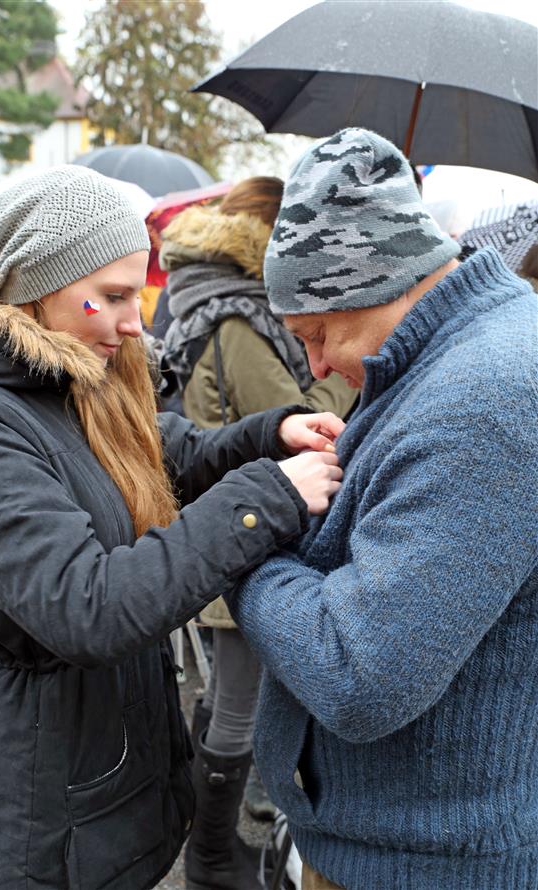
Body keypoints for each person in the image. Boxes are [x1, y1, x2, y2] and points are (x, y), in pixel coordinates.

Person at [0, 165, 345, 890]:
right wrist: (267, 496)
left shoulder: (57, 381)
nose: (137, 322)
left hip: (94, 783)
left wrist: (268, 434)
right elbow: (84, 605)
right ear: (38, 285)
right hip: (41, 818)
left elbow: (162, 449)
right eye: (116, 296)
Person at [224, 129, 538, 890]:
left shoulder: (483, 401)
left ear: (375, 282)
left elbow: (360, 674)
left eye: (318, 334)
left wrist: (243, 551)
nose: (316, 365)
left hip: (423, 865)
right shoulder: (450, 357)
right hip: (400, 842)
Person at [159, 175, 357, 890]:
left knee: (231, 694)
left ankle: (211, 844)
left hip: (236, 514)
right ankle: (211, 855)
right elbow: (295, 411)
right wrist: (349, 365)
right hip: (241, 523)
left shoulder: (211, 299)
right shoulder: (239, 318)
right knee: (238, 701)